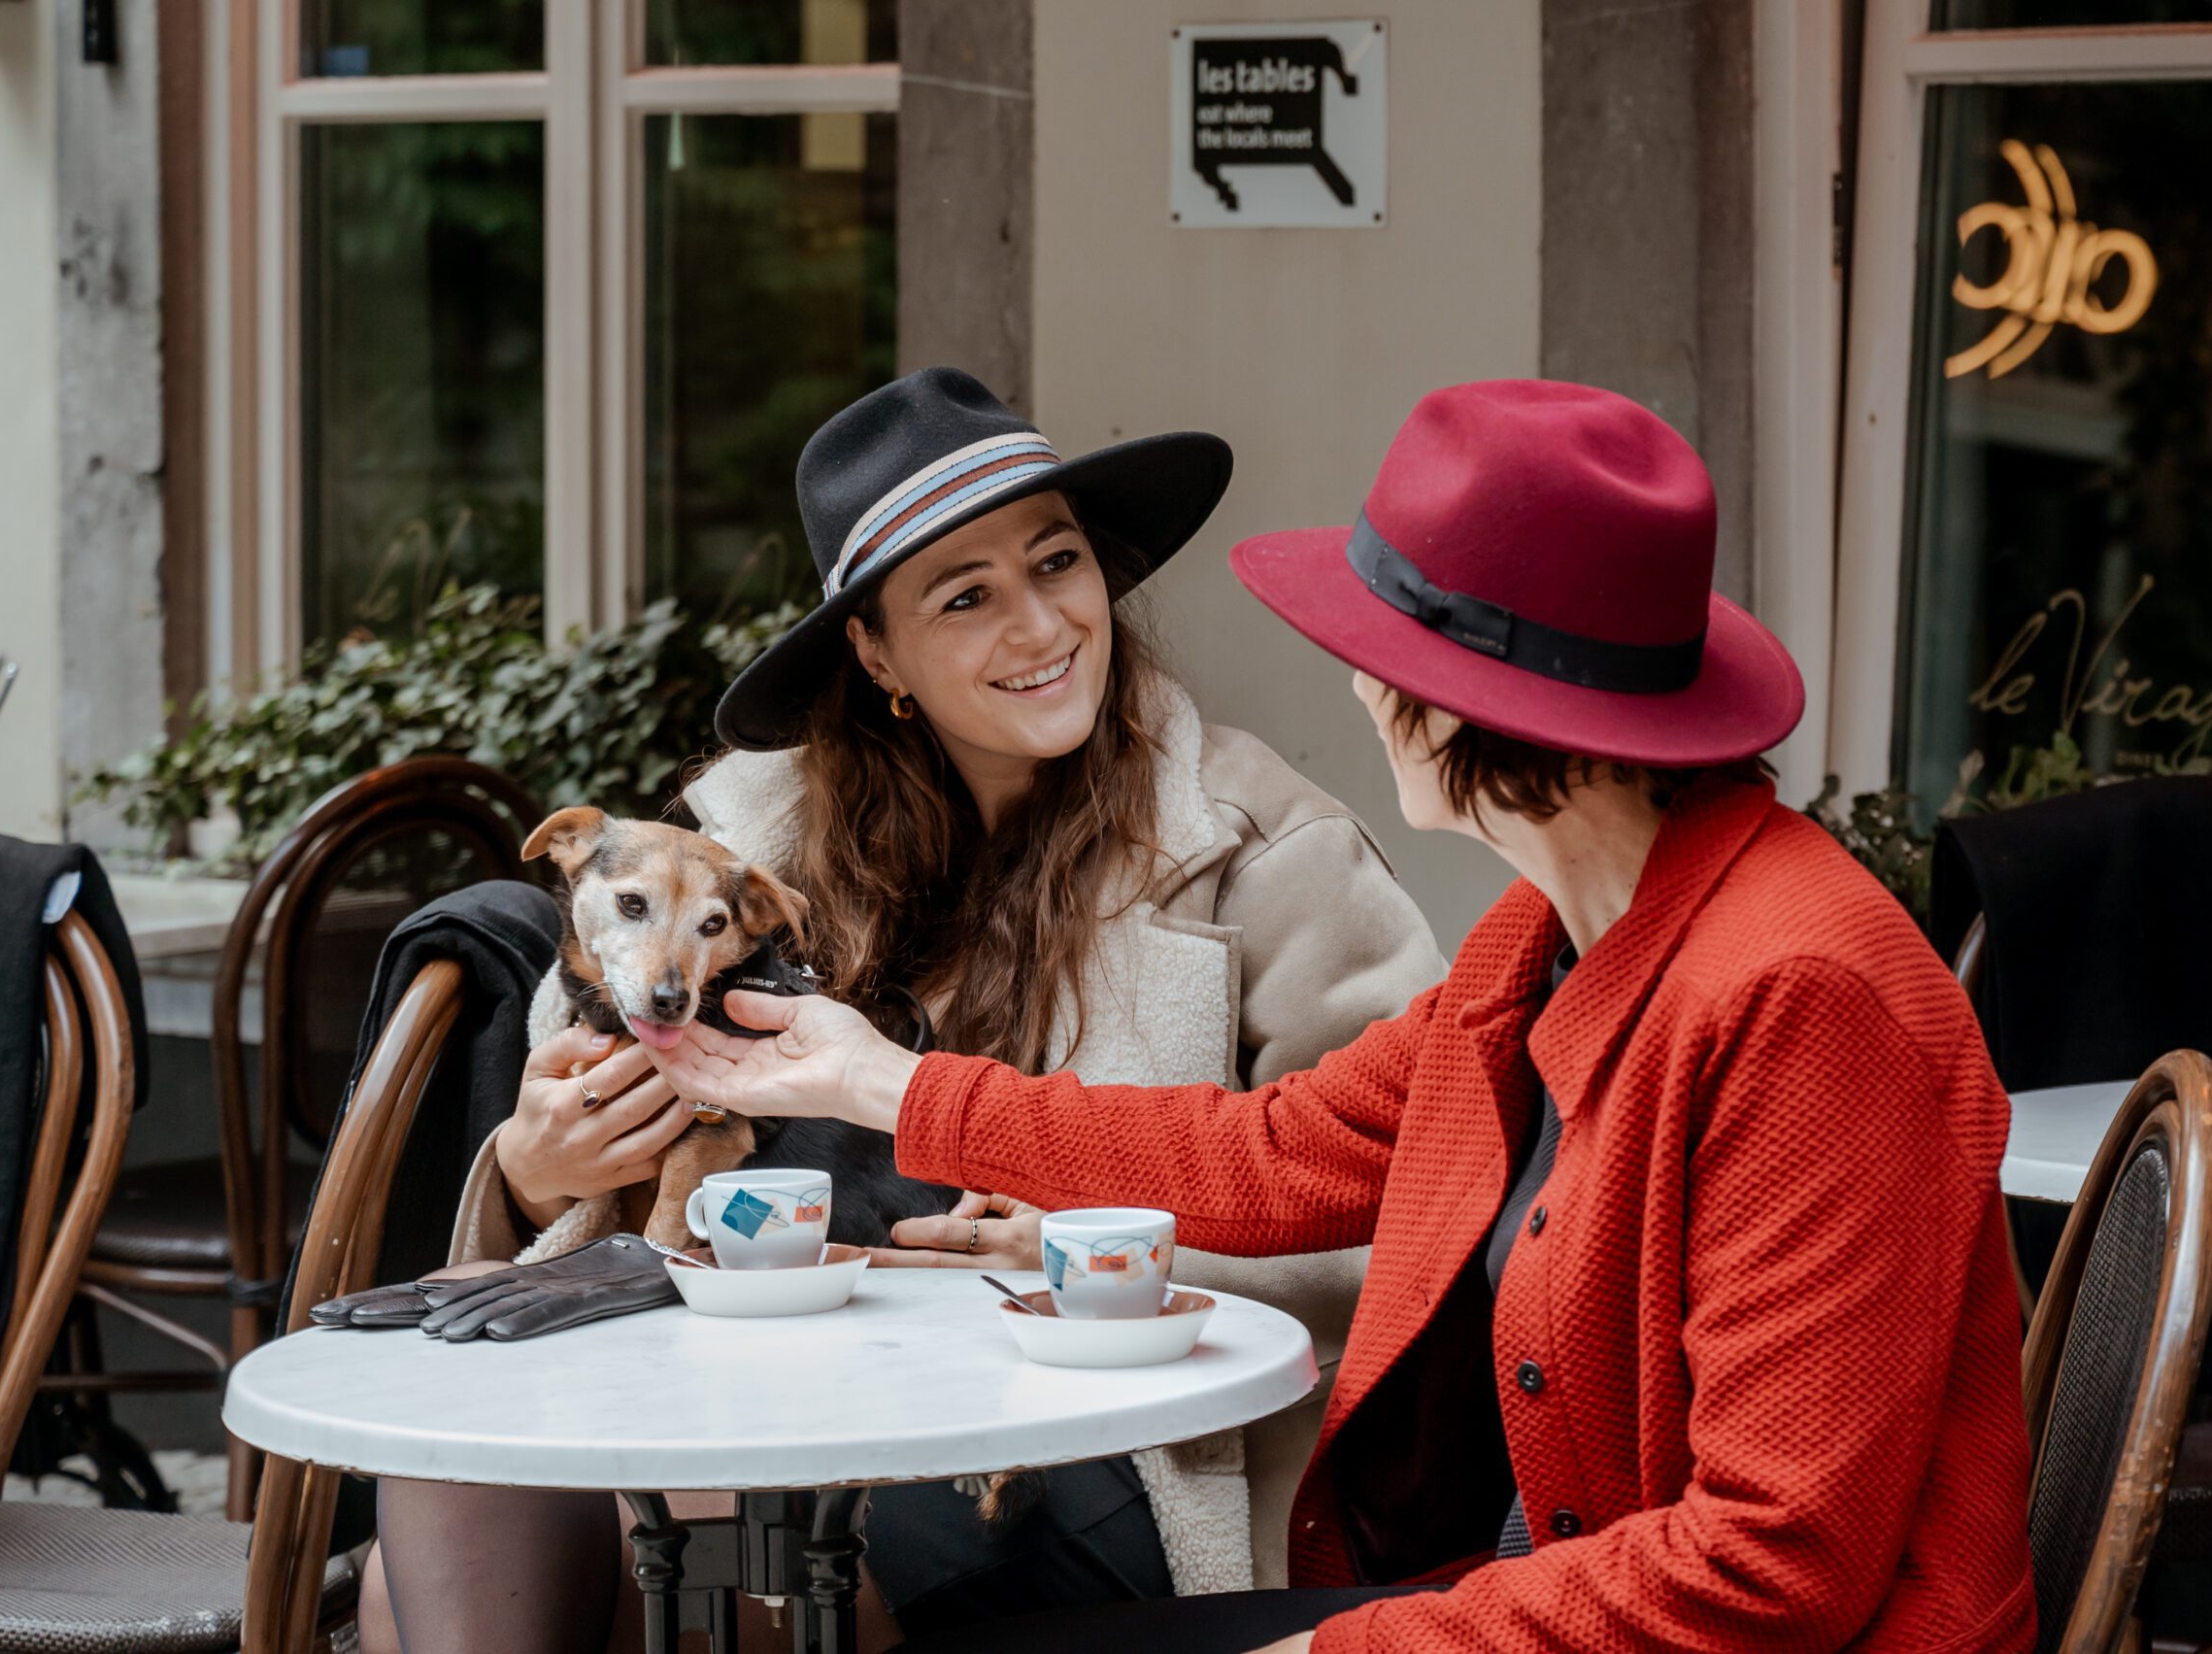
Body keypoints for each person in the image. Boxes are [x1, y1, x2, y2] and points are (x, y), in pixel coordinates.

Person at [655, 380, 2040, 1654]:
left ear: (1464, 705)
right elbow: (1272, 1152)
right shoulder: (1547, 938)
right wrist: (881, 1083)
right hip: (1564, 1598)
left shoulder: (1802, 995)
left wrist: (1334, 1652)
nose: (1359, 688)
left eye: (1373, 649)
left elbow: (1776, 1567)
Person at [356, 369, 1445, 1654]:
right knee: (464, 1450)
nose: (1041, 624)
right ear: (875, 653)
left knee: (662, 1553)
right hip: (769, 1364)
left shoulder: (1267, 856)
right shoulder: (745, 844)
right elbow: (586, 1103)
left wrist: (1086, 1262)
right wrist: (536, 1173)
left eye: (1058, 562)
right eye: (966, 596)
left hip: (1089, 1430)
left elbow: (1416, 1209)